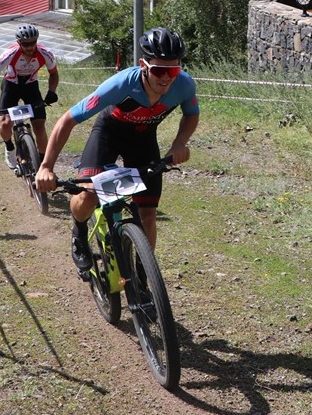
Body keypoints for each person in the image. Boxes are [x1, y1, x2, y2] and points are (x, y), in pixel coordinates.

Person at [35, 27, 198, 275]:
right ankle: (79, 231)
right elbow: (67, 120)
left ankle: (145, 278)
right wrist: (46, 167)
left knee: (148, 215)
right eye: (159, 70)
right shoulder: (121, 84)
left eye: (173, 70)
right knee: (88, 196)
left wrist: (179, 143)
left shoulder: (184, 85)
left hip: (143, 140)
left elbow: (191, 115)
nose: (166, 77)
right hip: (108, 135)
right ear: (143, 65)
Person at [0, 23, 59, 169]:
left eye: (33, 43)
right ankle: (9, 148)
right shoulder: (10, 54)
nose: (29, 47)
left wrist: (52, 91)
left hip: (31, 87)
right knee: (6, 123)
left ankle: (42, 162)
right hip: (10, 86)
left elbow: (54, 74)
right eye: (26, 44)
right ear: (19, 43)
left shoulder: (46, 54)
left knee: (39, 126)